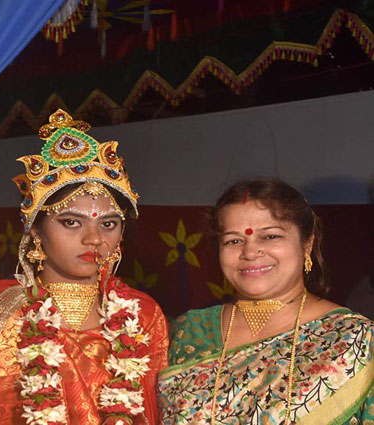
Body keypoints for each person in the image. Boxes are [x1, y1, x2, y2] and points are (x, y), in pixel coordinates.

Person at [0, 110, 169, 425]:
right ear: (36, 230)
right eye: (71, 222)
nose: (94, 239)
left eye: (108, 223)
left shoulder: (143, 315)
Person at [158, 179, 374, 424]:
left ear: (307, 244)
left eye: (270, 236)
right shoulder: (187, 332)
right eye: (233, 241)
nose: (250, 252)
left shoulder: (355, 339)